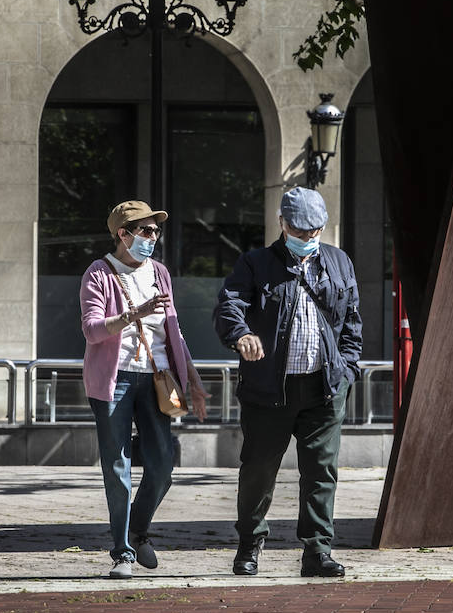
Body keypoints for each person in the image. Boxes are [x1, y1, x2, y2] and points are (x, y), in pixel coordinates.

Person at [213, 186, 362, 578]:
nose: (307, 237)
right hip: (268, 390)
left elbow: (352, 323)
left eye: (314, 230)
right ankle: (249, 546)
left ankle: (317, 552)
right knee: (258, 470)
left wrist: (347, 368)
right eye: (299, 230)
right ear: (282, 223)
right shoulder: (255, 263)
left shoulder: (339, 262)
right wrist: (240, 334)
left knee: (321, 472)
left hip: (325, 388)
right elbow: (229, 305)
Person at [81, 200, 209, 579]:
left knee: (162, 466)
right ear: (124, 233)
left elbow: (174, 330)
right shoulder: (99, 274)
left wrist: (194, 379)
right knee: (118, 466)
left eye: (156, 231)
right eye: (147, 231)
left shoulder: (160, 273)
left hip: (158, 378)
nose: (154, 238)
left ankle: (137, 530)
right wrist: (134, 313)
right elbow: (91, 330)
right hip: (114, 379)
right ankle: (122, 553)